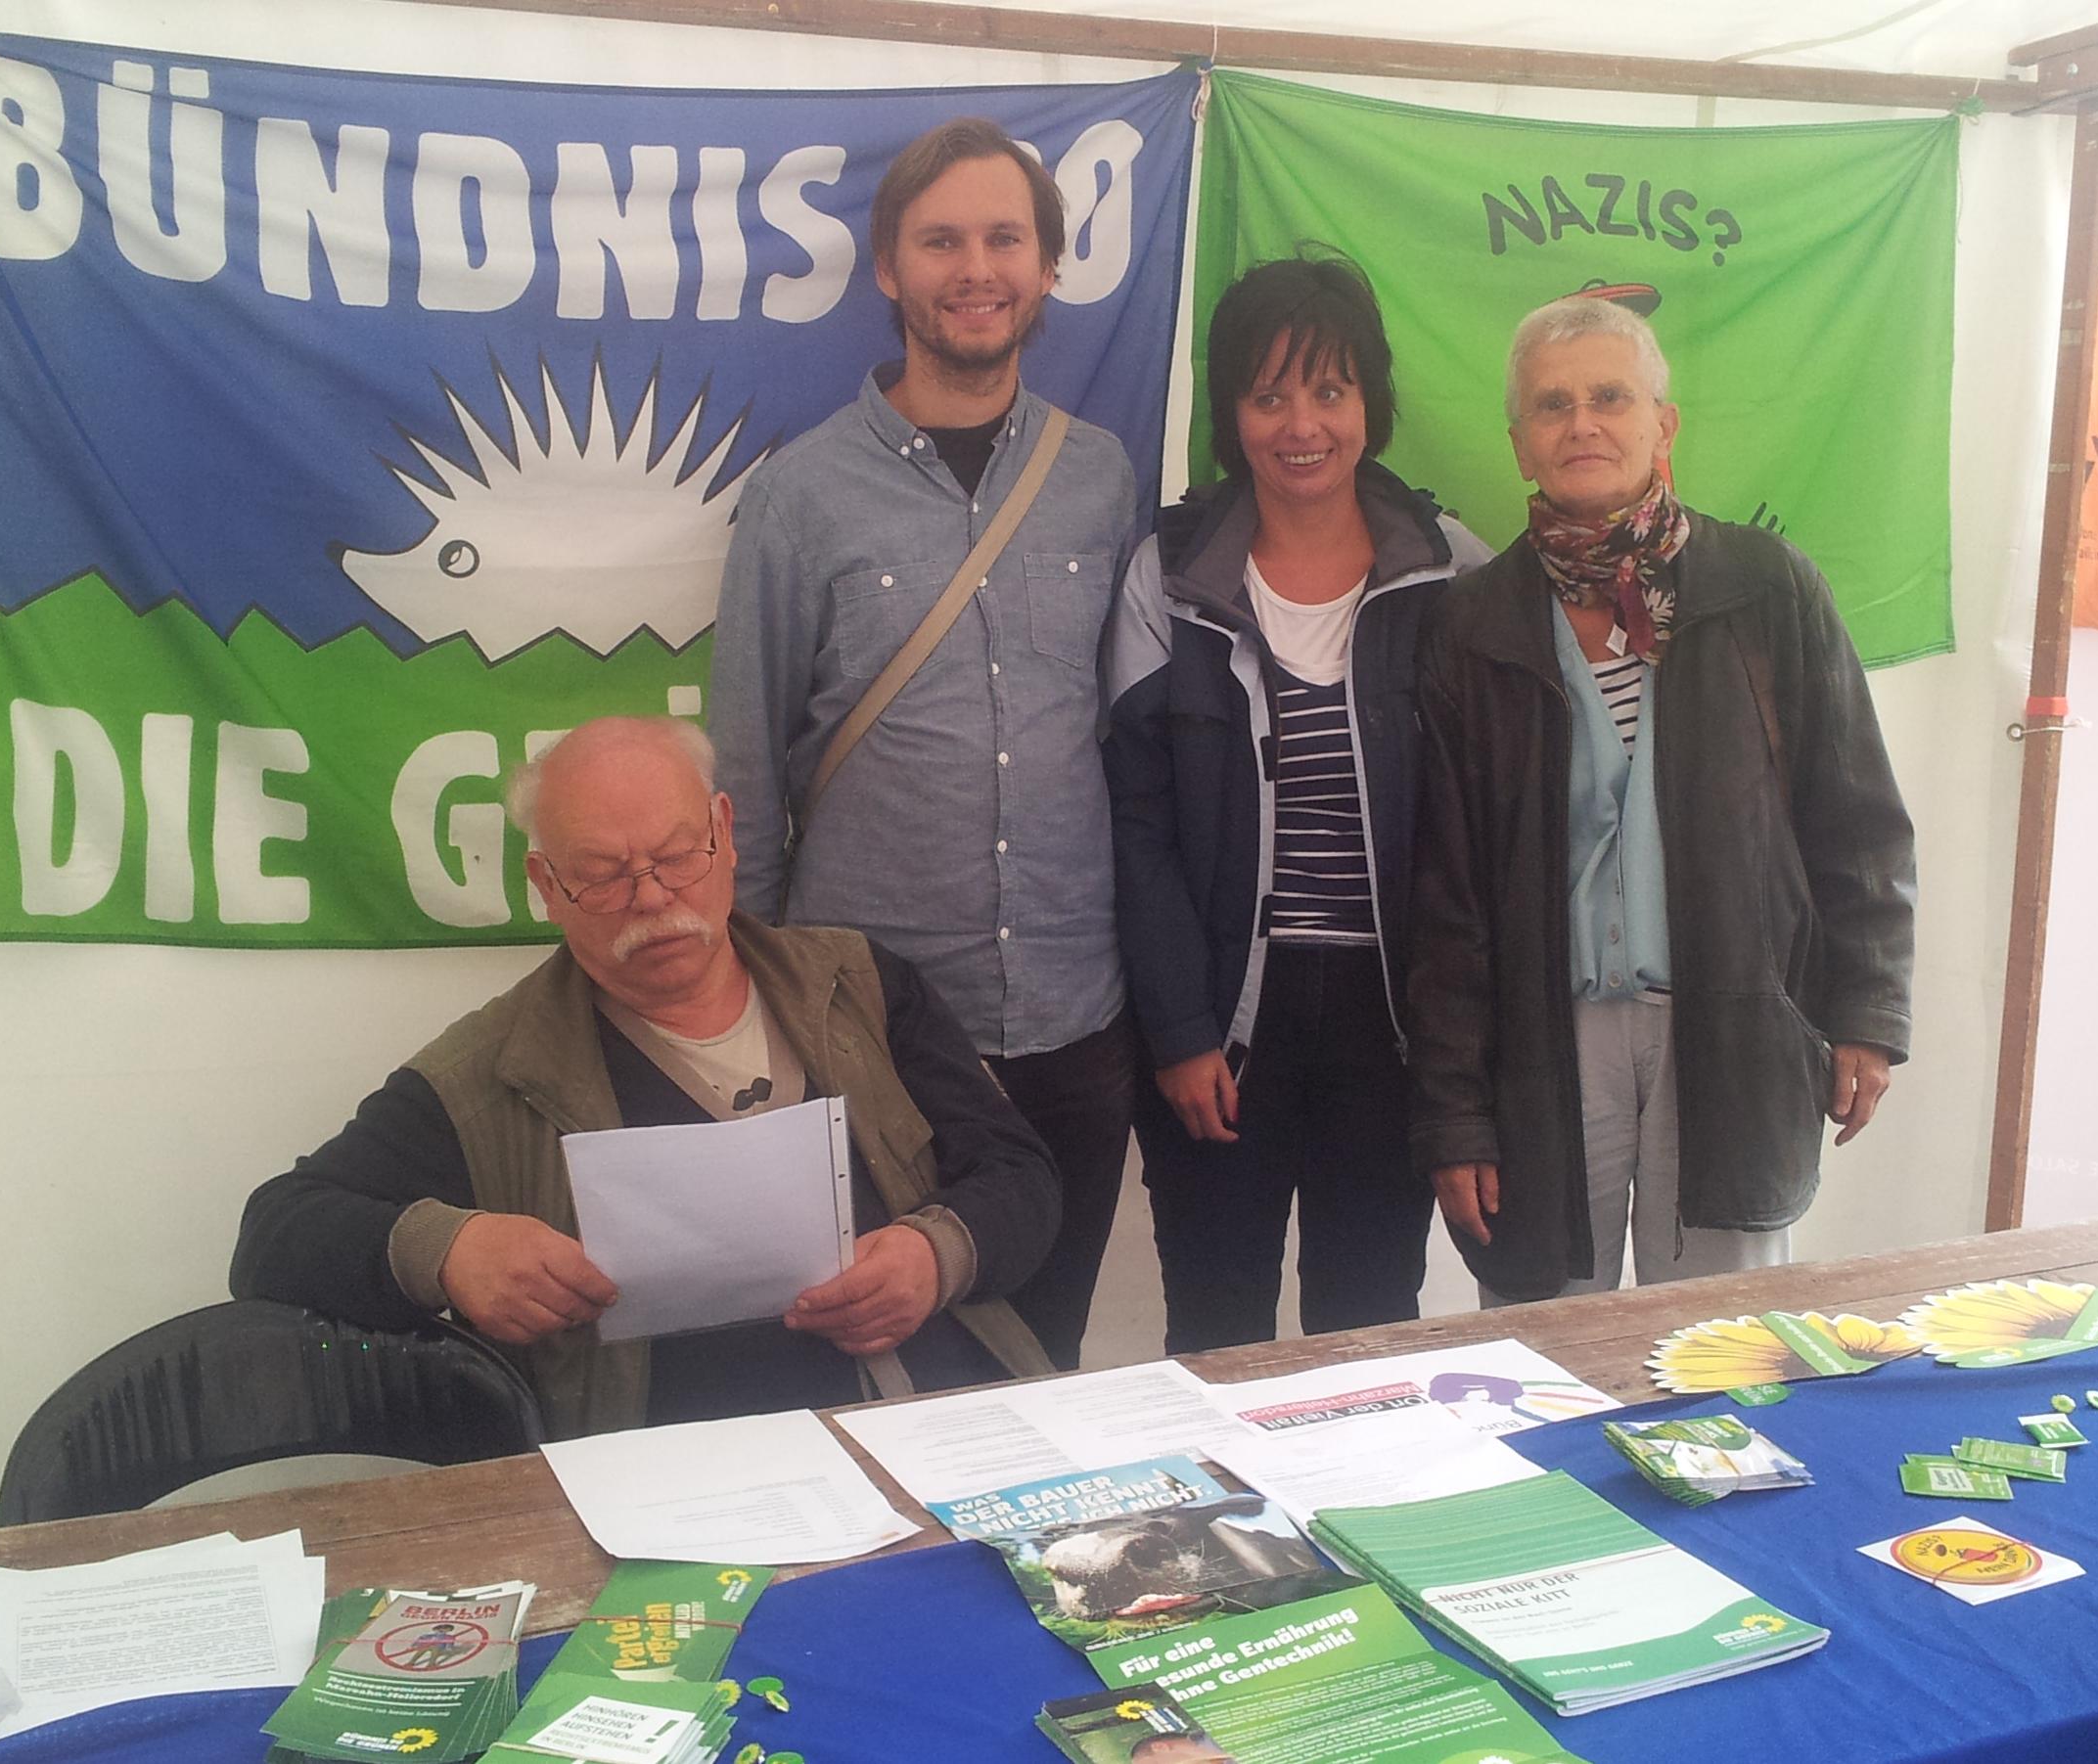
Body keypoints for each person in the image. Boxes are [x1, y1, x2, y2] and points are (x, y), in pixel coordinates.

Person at [231, 716, 1058, 1437]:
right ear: (545, 886)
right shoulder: (491, 1071)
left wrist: (934, 1253)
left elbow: (1023, 1176)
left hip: (938, 1420)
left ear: (724, 831)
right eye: (602, 872)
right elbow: (276, 1234)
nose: (654, 896)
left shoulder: (863, 985)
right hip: (675, 1476)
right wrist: (450, 1251)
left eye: (676, 855)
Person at [709, 117, 1139, 1370]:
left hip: (1073, 1022)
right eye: (939, 239)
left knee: (1038, 1365)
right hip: (868, 1038)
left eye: (1004, 237)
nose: (975, 267)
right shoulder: (796, 497)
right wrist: (760, 1012)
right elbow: (741, 765)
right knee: (866, 1373)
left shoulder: (1102, 481)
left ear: (1046, 268)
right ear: (888, 270)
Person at [1410, 295, 1916, 1305]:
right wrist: (1454, 1110)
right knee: (1543, 1342)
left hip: (1727, 1028)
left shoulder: (1764, 589)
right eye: (1551, 406)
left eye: (1609, 396)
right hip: (1546, 1046)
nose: (1581, 423)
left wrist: (1863, 1009)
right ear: (1518, 444)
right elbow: (1444, 892)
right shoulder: (1472, 623)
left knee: (1715, 1346)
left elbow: (1852, 814)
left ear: (1661, 424)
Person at [1103, 256, 1491, 1353]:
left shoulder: (1445, 567)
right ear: (1231, 413)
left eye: (1328, 391)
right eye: (1266, 396)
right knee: (1214, 1325)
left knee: (1368, 1322)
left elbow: (1487, 831)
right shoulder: (1168, 577)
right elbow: (1133, 822)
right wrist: (1179, 1031)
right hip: (1225, 1022)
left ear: (1370, 399)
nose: (1300, 425)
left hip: (1389, 1024)